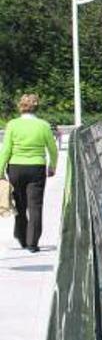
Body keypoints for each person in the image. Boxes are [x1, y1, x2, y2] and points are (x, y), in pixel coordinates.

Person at [0, 94, 58, 252]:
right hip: (36, 168)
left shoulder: (12, 124)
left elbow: (5, 150)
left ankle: (21, 236)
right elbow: (52, 149)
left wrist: (0, 171)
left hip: (15, 168)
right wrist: (52, 166)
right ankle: (32, 243)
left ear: (21, 106)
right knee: (35, 206)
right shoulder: (43, 125)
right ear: (36, 107)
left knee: (19, 205)